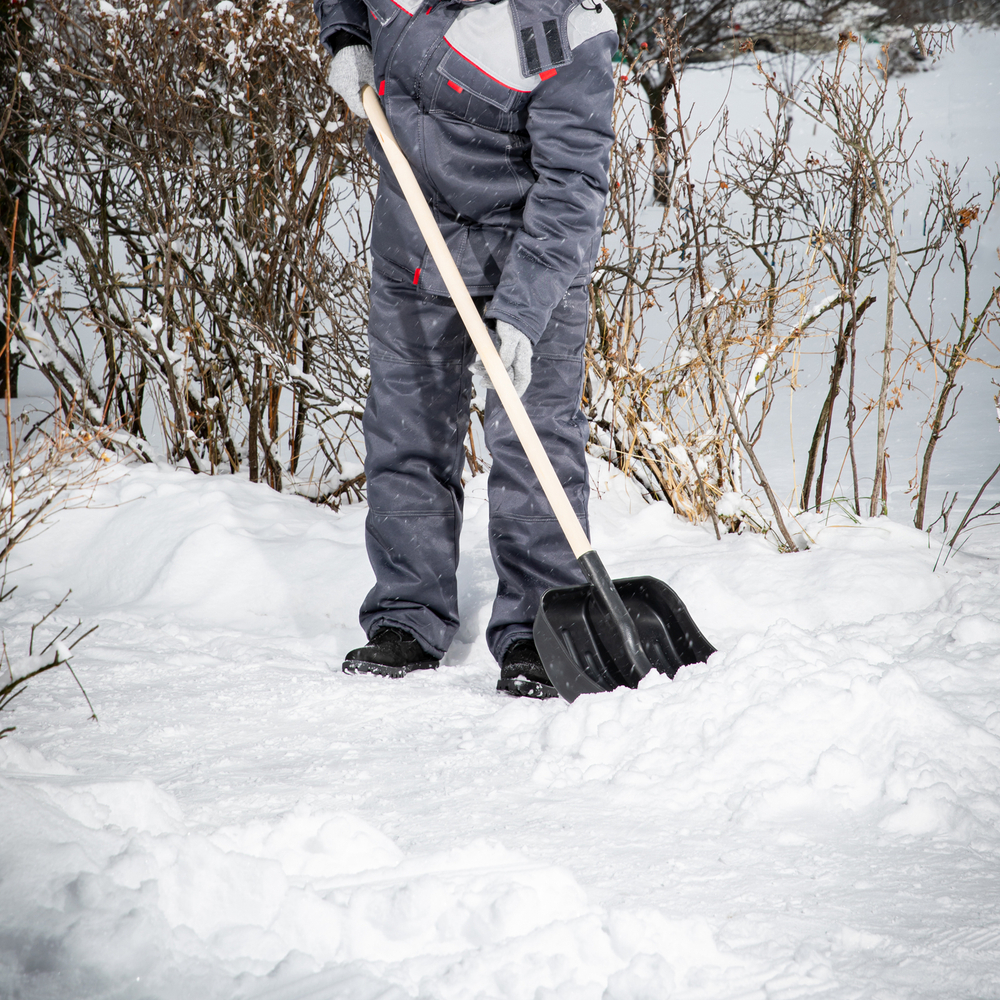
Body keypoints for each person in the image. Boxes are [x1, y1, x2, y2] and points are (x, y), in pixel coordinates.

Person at [313, 0, 617, 697]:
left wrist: (523, 314)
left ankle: (541, 624)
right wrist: (346, 35)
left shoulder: (570, 24)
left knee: (536, 441)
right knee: (406, 430)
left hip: (530, 258)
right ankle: (406, 614)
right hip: (413, 244)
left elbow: (573, 183)